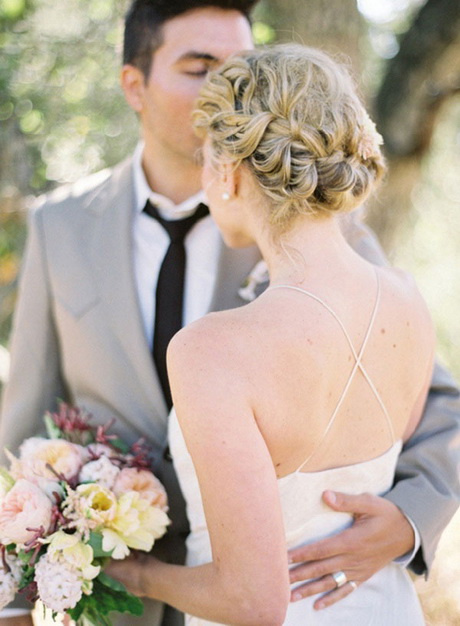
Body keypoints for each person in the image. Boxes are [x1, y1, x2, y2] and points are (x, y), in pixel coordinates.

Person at [0, 0, 458, 624]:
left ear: (232, 165)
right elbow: (25, 421)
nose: (224, 89)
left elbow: (440, 407)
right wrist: (22, 590)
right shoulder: (61, 225)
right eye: (200, 67)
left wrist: (408, 523)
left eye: (238, 70)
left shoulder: (324, 256)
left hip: (242, 595)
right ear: (134, 84)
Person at [107, 43, 436, 624]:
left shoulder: (212, 350)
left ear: (230, 173)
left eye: (206, 160)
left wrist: (134, 573)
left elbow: (251, 601)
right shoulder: (408, 301)